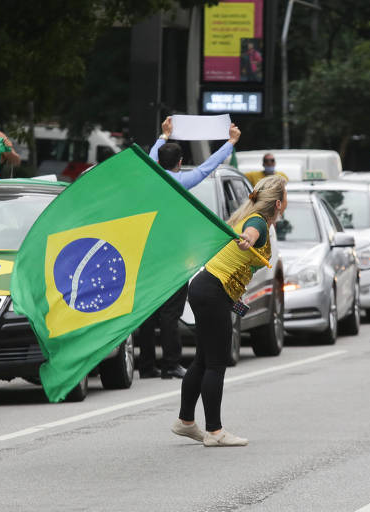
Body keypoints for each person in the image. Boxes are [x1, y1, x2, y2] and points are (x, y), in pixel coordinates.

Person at [172, 175, 287, 447]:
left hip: (207, 289)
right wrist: (248, 240)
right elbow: (251, 234)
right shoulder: (257, 221)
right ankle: (214, 431)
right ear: (279, 203)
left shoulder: (249, 216)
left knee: (203, 359)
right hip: (213, 291)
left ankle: (185, 422)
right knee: (216, 363)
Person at [135, 116, 242, 379]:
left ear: (159, 162)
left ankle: (146, 365)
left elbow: (150, 157)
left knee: (147, 311)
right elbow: (208, 166)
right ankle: (170, 363)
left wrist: (164, 135)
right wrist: (230, 142)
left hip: (147, 256)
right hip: (173, 258)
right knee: (171, 313)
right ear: (180, 163)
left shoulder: (151, 178)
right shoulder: (181, 182)